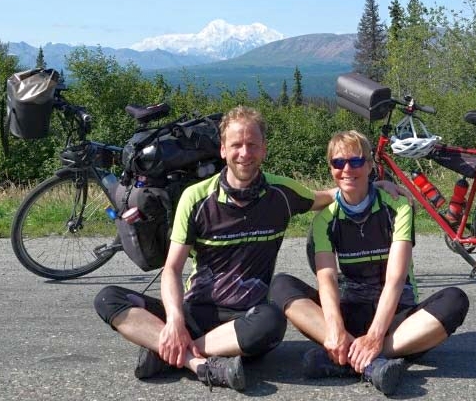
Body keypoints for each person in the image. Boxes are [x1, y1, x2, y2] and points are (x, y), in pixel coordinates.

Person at [95, 106, 372, 391]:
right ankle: (199, 364)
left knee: (273, 320)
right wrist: (175, 320)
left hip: (247, 322)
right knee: (108, 298)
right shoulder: (196, 198)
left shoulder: (282, 193)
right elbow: (173, 268)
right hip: (195, 313)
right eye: (236, 145)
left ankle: (171, 354)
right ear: (223, 150)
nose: (244, 153)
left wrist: (380, 186)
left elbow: (328, 196)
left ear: (264, 150)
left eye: (252, 145)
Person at [270, 130, 470, 396]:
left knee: (455, 300)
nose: (347, 169)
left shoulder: (397, 207)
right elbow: (327, 277)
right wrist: (336, 328)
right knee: (281, 285)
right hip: (351, 310)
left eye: (356, 161)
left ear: (370, 165)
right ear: (331, 169)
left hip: (396, 316)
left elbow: (395, 279)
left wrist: (375, 338)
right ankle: (364, 357)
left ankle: (354, 357)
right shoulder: (325, 219)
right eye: (338, 163)